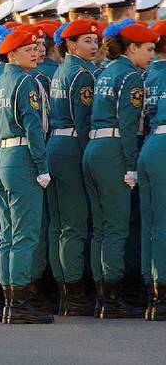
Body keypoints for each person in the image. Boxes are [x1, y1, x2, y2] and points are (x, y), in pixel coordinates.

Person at [82, 20, 157, 319]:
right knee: (115, 228)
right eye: (148, 49)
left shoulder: (105, 72)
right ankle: (112, 299)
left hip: (94, 148)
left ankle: (103, 295)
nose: (152, 55)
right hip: (114, 151)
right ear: (132, 47)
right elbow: (128, 124)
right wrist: (130, 164)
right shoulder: (130, 77)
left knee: (100, 229)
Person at [0, 29, 53, 324]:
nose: (35, 53)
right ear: (12, 54)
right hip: (23, 159)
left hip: (3, 158)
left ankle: (9, 300)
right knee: (24, 236)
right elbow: (33, 127)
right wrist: (42, 167)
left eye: (36, 48)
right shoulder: (25, 82)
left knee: (7, 236)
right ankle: (19, 303)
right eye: (28, 49)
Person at [47, 20, 99, 316]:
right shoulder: (81, 74)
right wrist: (86, 160)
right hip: (71, 148)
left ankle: (63, 290)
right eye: (87, 41)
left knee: (59, 224)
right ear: (71, 45)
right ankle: (74, 294)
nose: (93, 46)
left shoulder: (61, 70)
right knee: (74, 224)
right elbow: (83, 124)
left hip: (56, 144)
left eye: (94, 40)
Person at [138, 20, 166, 321]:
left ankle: (151, 294)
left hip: (149, 145)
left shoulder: (147, 77)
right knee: (163, 225)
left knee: (150, 223)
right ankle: (162, 297)